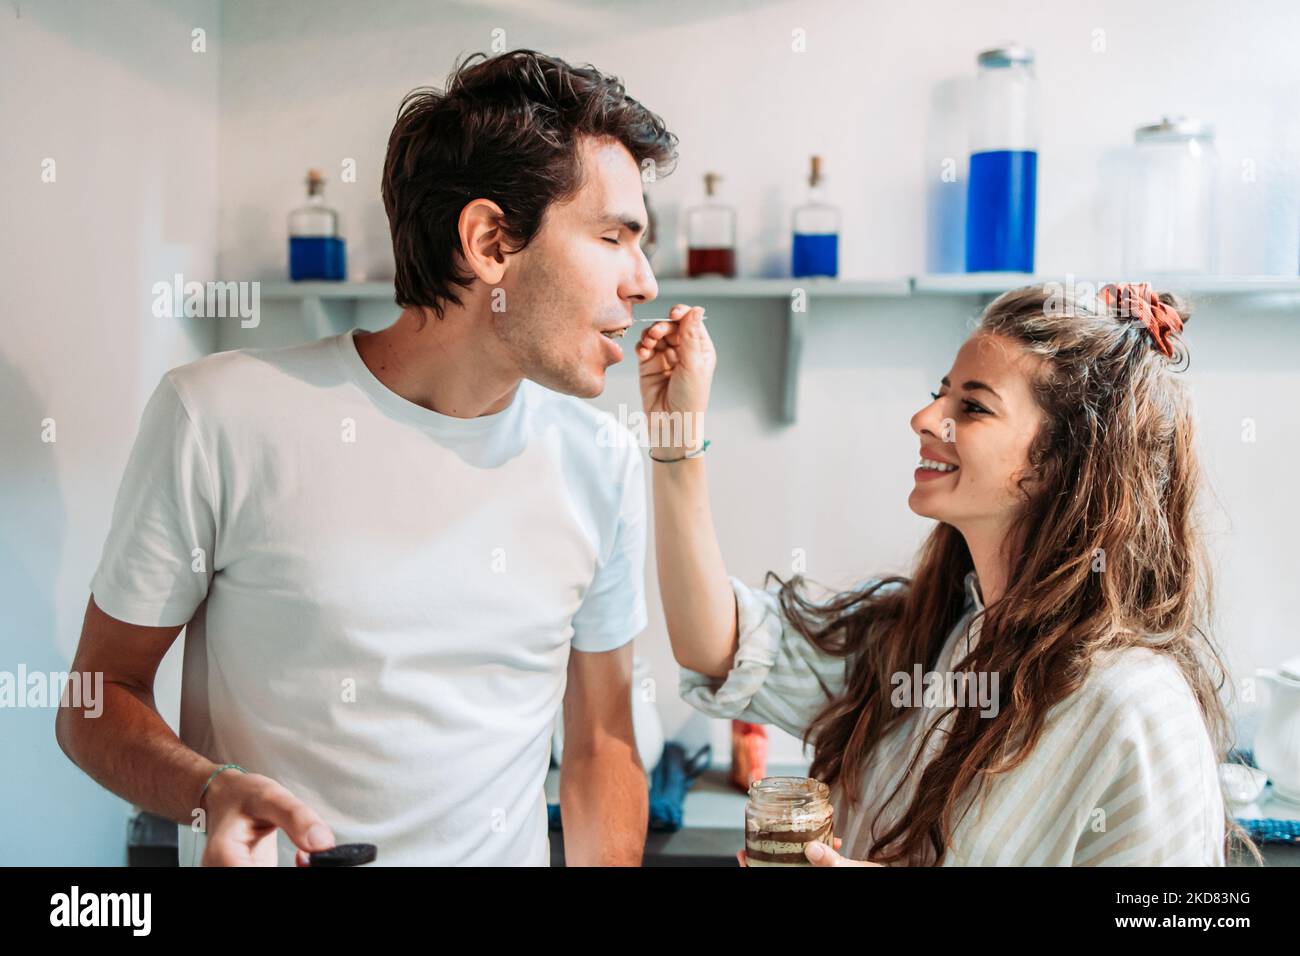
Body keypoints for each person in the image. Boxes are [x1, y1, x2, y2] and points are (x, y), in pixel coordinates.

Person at [56, 49, 677, 866]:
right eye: (613, 237)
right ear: (490, 241)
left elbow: (600, 743)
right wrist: (208, 789)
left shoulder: (602, 459)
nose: (645, 281)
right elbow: (95, 702)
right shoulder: (218, 415)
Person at [637, 282, 1261, 866]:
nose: (925, 418)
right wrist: (674, 434)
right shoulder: (935, 640)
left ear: (1061, 462)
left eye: (973, 406)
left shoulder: (1136, 707)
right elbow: (716, 645)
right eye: (942, 391)